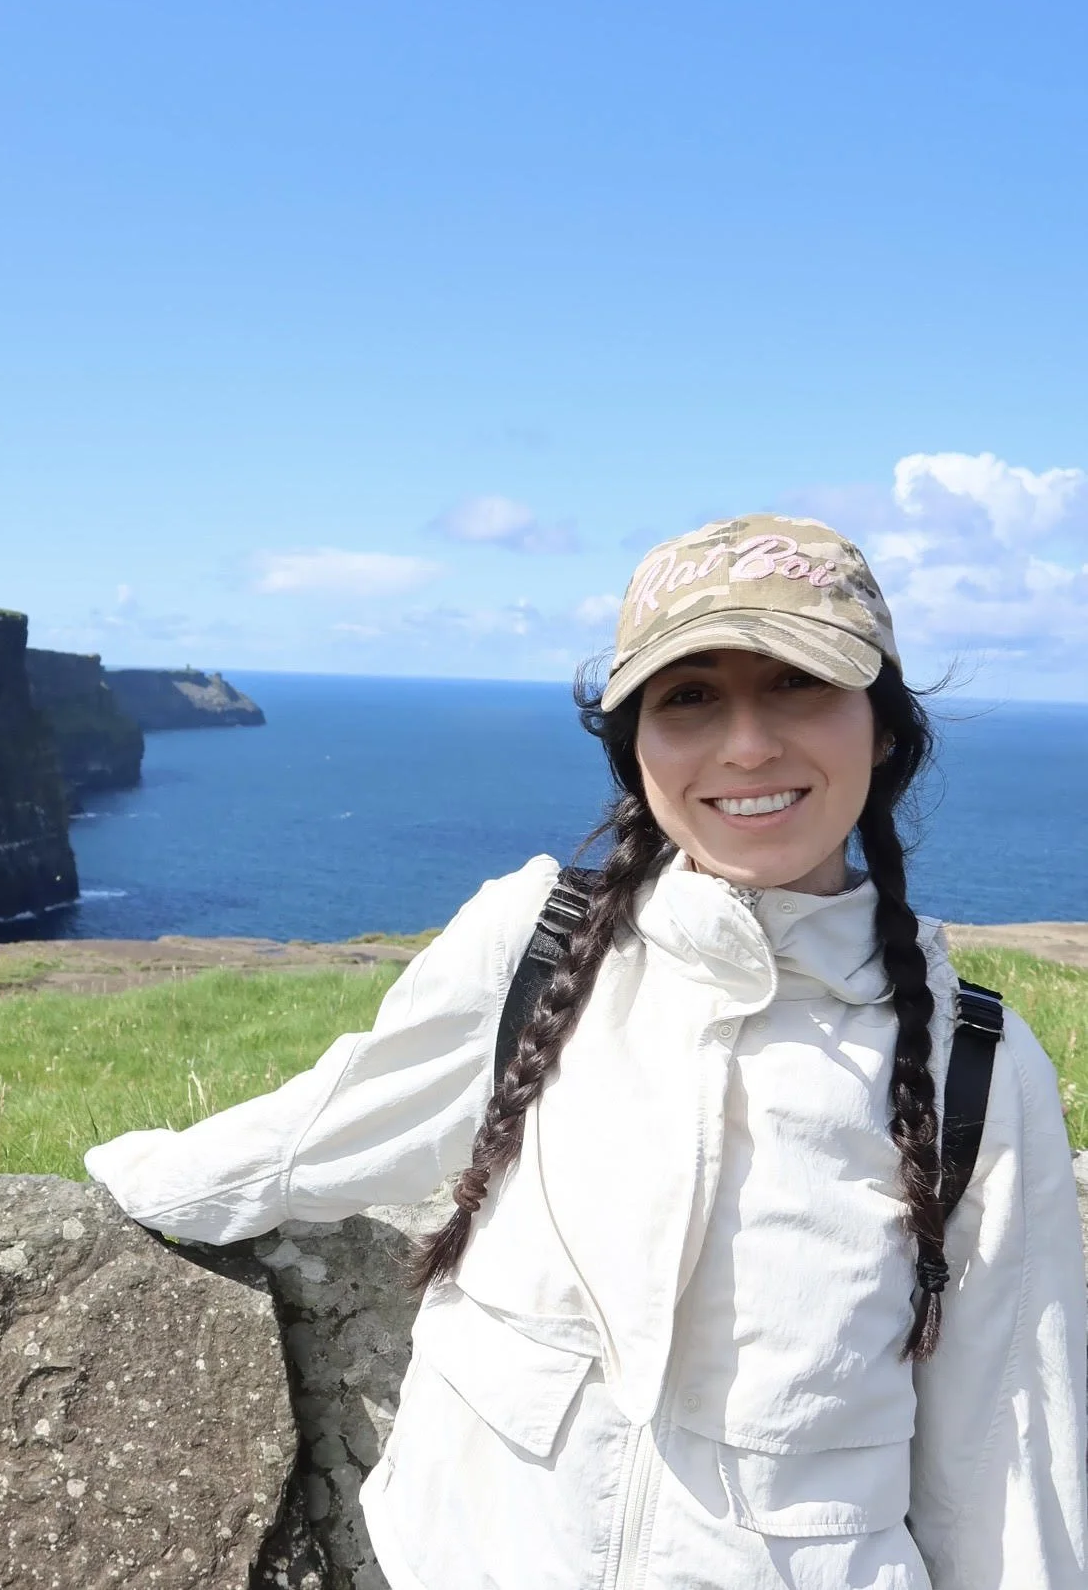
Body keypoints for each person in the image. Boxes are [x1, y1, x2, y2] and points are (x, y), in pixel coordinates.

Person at [85, 515, 1087, 1590]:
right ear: (637, 745)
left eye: (799, 683)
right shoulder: (538, 938)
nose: (747, 744)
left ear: (882, 726)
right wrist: (117, 1181)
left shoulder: (976, 1061)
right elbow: (324, 1127)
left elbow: (1006, 1463)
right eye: (689, 695)